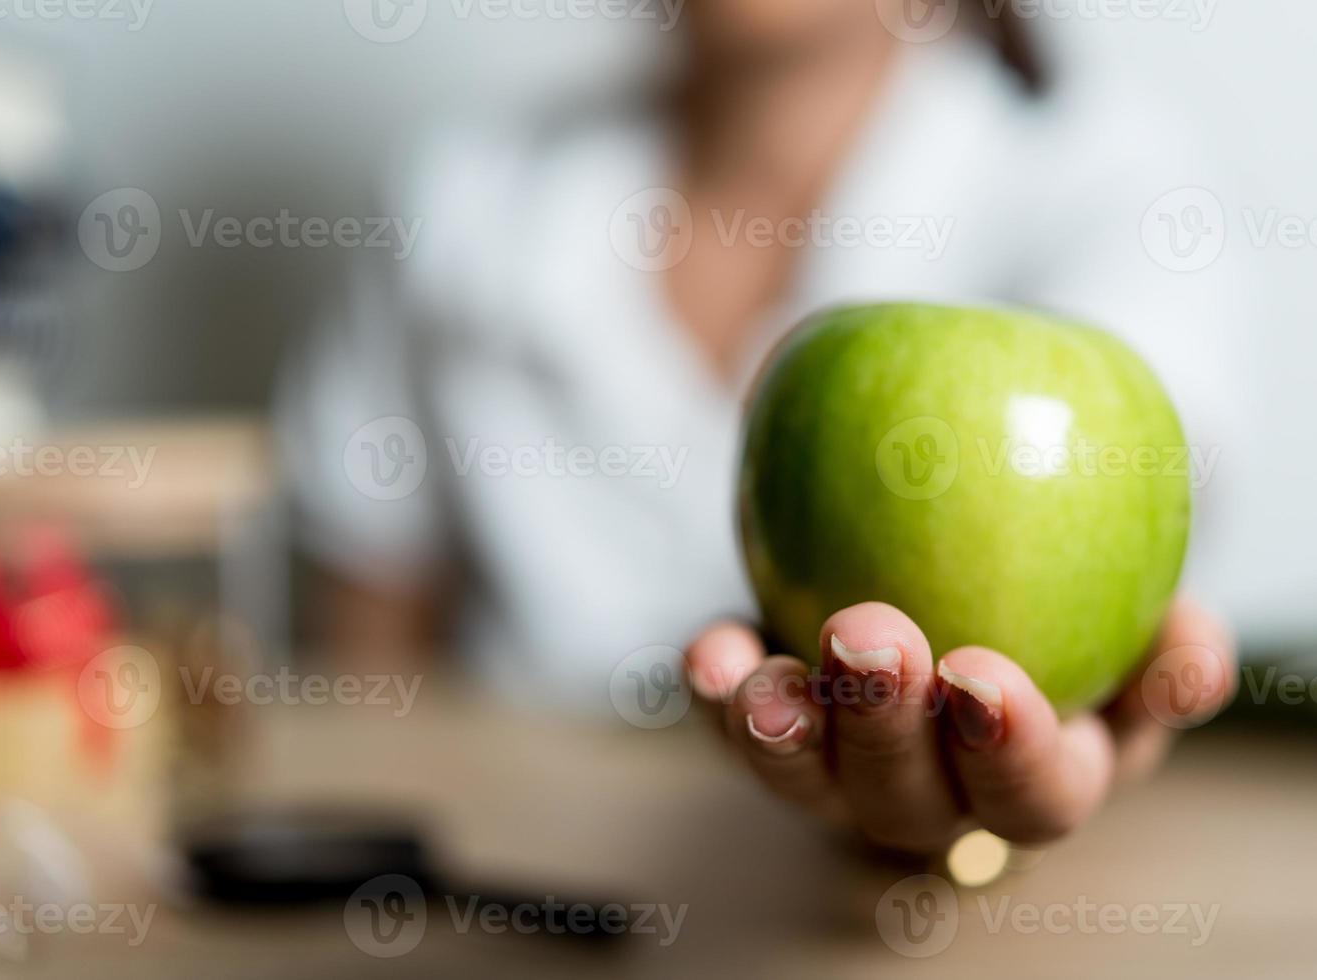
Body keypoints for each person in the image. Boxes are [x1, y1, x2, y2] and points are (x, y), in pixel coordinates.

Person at [279, 0, 1243, 855]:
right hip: (505, 884)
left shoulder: (1105, 181)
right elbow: (368, 664)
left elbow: (1131, 539)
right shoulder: (460, 197)